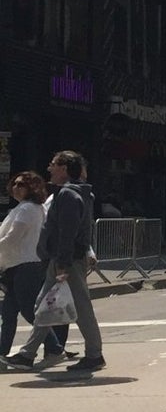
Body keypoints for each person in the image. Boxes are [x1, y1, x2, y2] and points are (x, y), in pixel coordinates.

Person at [4, 151, 105, 378]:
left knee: (79, 308)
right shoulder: (68, 194)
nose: (49, 168)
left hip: (65, 261)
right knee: (44, 304)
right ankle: (29, 354)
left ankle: (93, 354)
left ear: (65, 168)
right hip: (59, 259)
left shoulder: (69, 195)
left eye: (53, 165)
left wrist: (63, 263)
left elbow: (67, 233)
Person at [0, 171, 54, 361]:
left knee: (29, 310)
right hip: (18, 264)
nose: (16, 187)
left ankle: (54, 347)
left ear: (33, 187)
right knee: (8, 312)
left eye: (21, 184)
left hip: (25, 264)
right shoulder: (32, 208)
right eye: (14, 184)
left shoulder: (26, 209)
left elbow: (13, 237)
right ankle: (2, 351)